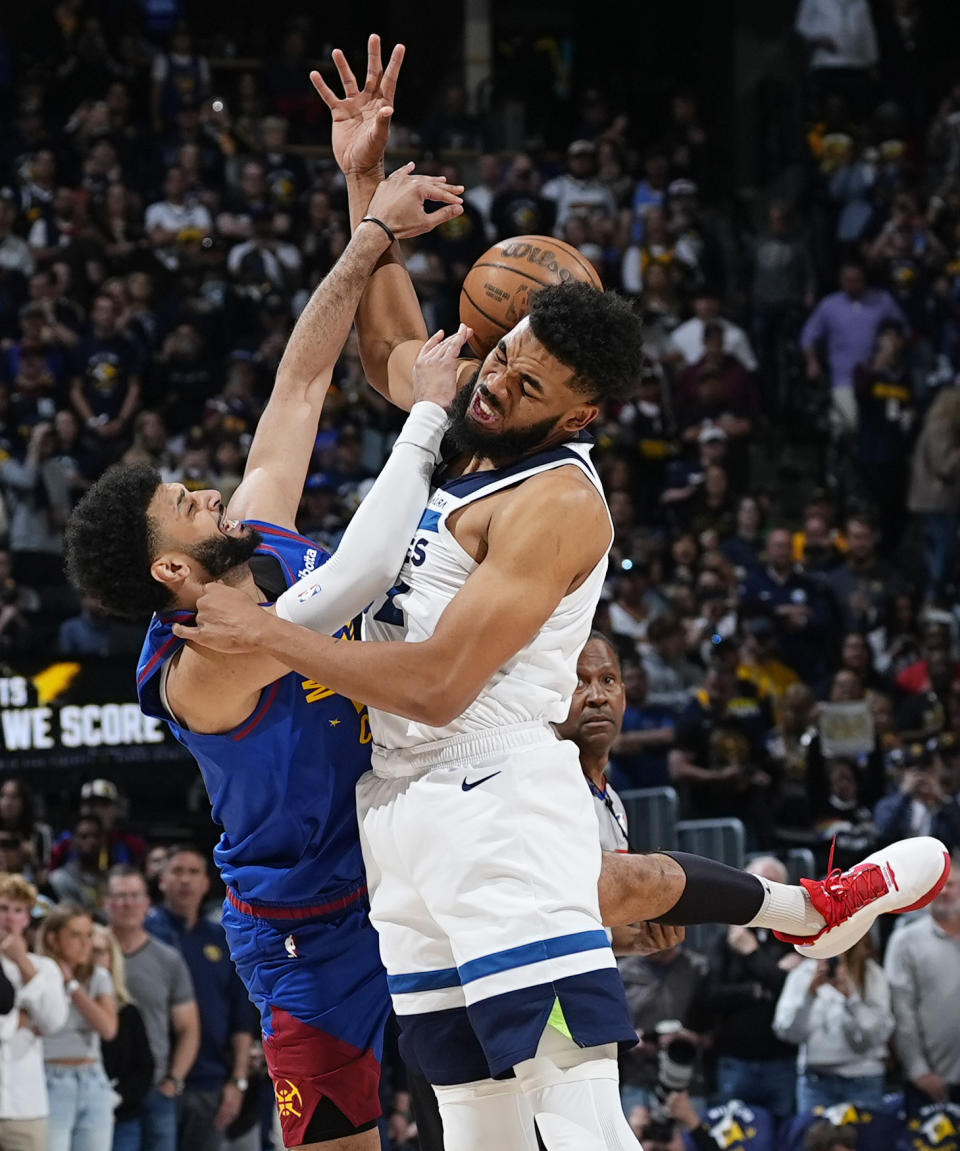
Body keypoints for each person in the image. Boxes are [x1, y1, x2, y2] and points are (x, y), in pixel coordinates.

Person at [173, 35, 952, 1150]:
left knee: (578, 1117)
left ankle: (807, 910)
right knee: (478, 1121)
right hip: (397, 815)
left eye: (526, 383)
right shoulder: (470, 421)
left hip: (499, 797)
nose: (493, 382)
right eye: (501, 357)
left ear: (579, 413)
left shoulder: (558, 501)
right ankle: (804, 911)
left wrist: (270, 634)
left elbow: (442, 683)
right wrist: (363, 183)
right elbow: (392, 351)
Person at [64, 41, 465, 1150]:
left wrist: (357, 193)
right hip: (311, 928)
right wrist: (380, 238)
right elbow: (367, 574)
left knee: (515, 1086)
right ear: (171, 575)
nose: (205, 487)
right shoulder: (211, 652)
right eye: (183, 503)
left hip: (410, 854)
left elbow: (300, 379)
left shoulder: (261, 541)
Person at [146, 844, 258, 1151]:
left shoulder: (222, 939)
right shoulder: (144, 934)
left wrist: (238, 1081)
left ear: (207, 882)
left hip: (211, 1081)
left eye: (194, 872)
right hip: (152, 1081)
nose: (186, 880)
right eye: (177, 871)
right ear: (161, 880)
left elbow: (241, 1015)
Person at [104, 866, 200, 1151]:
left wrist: (174, 1080)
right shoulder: (89, 952)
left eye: (135, 896)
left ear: (148, 903)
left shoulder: (168, 959)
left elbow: (189, 1028)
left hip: (156, 1089)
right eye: (120, 896)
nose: (128, 904)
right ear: (106, 902)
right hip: (104, 1087)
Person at [703, 857, 801, 1121]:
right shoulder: (726, 938)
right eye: (758, 884)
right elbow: (710, 996)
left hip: (782, 1061)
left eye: (773, 885)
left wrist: (752, 953)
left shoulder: (796, 936)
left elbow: (791, 991)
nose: (765, 893)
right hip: (735, 1059)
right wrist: (756, 989)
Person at [772, 934, 894, 1112]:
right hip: (816, 1081)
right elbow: (786, 1033)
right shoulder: (803, 973)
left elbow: (877, 1036)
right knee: (815, 1139)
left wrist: (851, 999)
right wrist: (809, 996)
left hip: (863, 1079)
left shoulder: (870, 974)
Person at [884, 852, 960, 1115]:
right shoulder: (905, 940)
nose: (944, 892)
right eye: (938, 886)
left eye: (951, 884)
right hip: (930, 1080)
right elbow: (901, 1011)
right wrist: (918, 1070)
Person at [38, 904, 118, 1151]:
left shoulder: (99, 976)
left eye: (88, 935)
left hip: (93, 1080)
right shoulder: (36, 974)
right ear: (53, 938)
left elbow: (108, 1028)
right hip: (50, 1079)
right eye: (75, 935)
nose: (86, 944)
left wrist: (72, 986)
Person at [0, 873, 69, 1151]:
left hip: (25, 1106)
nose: (9, 918)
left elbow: (53, 1022)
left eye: (18, 910)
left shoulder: (45, 968)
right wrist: (21, 1019)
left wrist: (22, 963)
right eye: (3, 908)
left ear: (27, 918)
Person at [92, 925, 155, 1139]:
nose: (94, 959)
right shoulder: (64, 1004)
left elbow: (144, 1066)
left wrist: (114, 1098)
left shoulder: (128, 1012)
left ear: (112, 957)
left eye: (100, 951)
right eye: (89, 950)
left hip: (123, 1116)